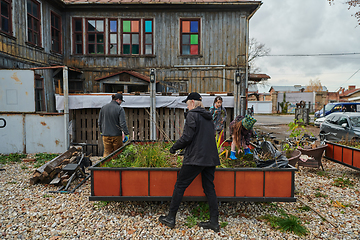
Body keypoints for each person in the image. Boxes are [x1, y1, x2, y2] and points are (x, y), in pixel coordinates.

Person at [159, 92, 221, 232]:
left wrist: (174, 148)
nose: (187, 107)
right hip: (210, 158)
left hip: (196, 158)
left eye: (187, 104)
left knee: (180, 185)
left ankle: (171, 218)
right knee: (209, 188)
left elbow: (187, 137)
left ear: (192, 102)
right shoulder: (208, 117)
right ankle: (214, 222)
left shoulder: (192, 115)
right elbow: (203, 137)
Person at [98, 93, 129, 157]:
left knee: (107, 153)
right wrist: (126, 133)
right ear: (118, 100)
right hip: (116, 136)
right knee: (117, 153)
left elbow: (99, 122)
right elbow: (122, 123)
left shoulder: (103, 108)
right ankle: (116, 166)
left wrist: (101, 131)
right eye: (121, 101)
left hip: (105, 135)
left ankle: (105, 166)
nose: (121, 103)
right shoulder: (120, 109)